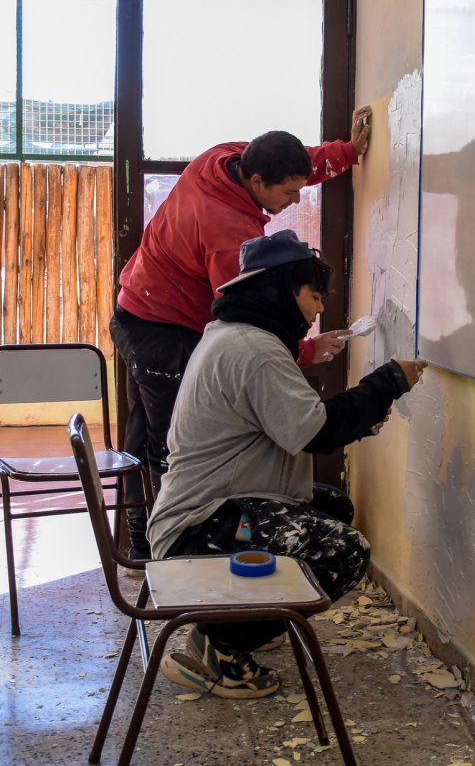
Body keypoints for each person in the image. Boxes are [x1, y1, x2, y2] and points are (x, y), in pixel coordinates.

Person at [147, 229, 426, 699]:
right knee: (346, 551)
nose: (318, 310)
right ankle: (220, 649)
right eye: (313, 296)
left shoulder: (236, 337)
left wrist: (355, 419)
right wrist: (390, 381)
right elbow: (317, 431)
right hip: (198, 529)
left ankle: (238, 621)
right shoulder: (254, 350)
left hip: (213, 508)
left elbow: (293, 423)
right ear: (280, 288)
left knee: (332, 508)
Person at [109, 108, 372, 561]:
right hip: (162, 326)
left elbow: (296, 160)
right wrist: (306, 351)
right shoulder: (229, 234)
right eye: (288, 192)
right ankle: (162, 554)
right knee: (166, 441)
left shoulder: (224, 158)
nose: (295, 199)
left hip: (137, 305)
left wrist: (345, 153)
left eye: (298, 187)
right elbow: (250, 325)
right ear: (255, 181)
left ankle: (139, 546)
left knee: (144, 431)